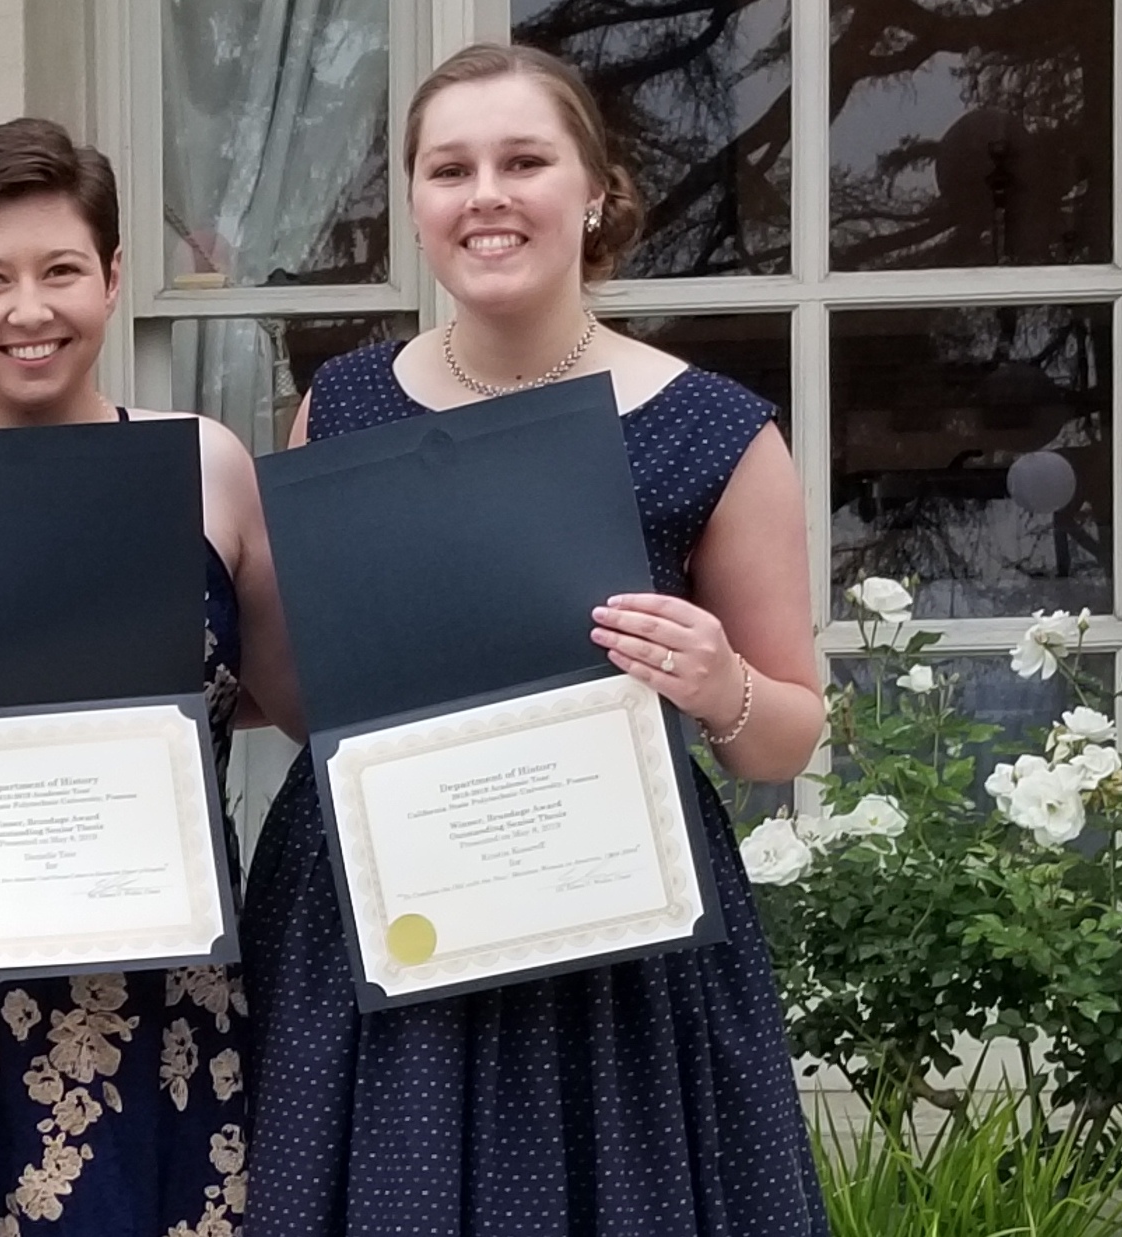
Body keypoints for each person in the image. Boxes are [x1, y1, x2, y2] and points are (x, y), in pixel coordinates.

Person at [239, 43, 832, 1237]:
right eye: (449, 169)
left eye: (524, 160)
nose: (487, 195)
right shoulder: (342, 408)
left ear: (597, 189)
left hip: (608, 940)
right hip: (375, 905)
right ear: (414, 202)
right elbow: (310, 696)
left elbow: (789, 736)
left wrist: (720, 685)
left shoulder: (712, 430)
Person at [0, 118, 302, 1237]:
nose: (29, 310)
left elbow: (290, 694)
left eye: (61, 271)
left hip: (169, 993)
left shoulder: (205, 463)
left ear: (115, 277)